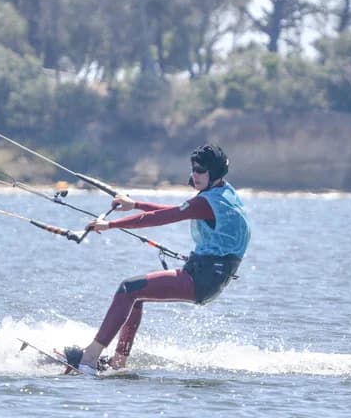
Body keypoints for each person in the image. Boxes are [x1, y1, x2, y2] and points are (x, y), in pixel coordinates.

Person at [65, 144, 250, 374]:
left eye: (201, 170)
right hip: (208, 275)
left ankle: (88, 360)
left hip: (202, 278)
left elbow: (164, 217)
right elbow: (180, 209)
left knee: (128, 289)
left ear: (215, 173)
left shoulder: (206, 201)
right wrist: (135, 205)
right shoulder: (223, 192)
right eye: (193, 169)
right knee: (136, 296)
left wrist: (110, 224)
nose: (195, 175)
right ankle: (118, 363)